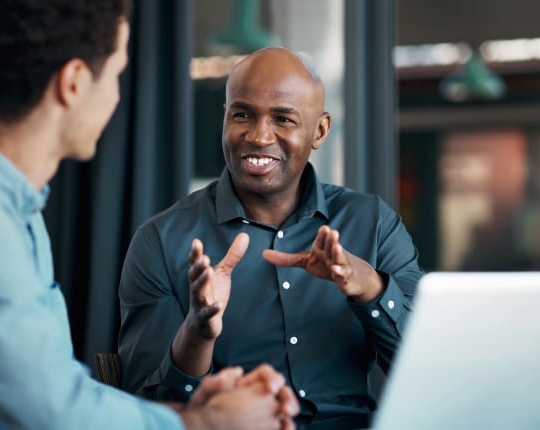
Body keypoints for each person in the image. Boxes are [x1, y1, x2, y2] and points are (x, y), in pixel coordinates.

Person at [0, 1, 300, 429]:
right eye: (115, 74)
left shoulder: (6, 208)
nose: (116, 95)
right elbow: (57, 416)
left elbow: (57, 391)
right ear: (73, 83)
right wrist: (205, 423)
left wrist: (193, 411)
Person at [118, 47, 426, 429]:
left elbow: (427, 373)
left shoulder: (372, 223)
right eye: (243, 114)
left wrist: (371, 289)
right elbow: (148, 413)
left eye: (283, 119)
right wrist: (197, 334)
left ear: (320, 130)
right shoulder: (162, 241)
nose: (259, 136)